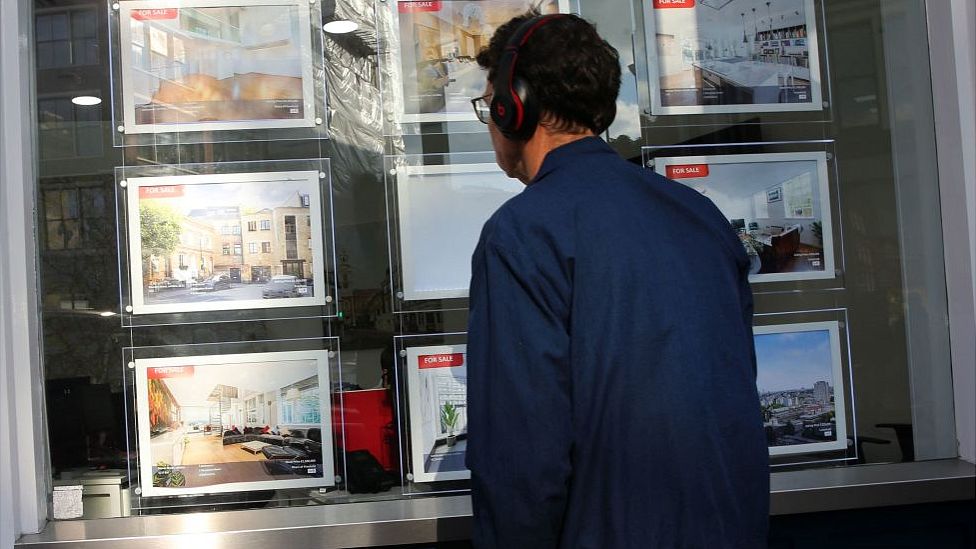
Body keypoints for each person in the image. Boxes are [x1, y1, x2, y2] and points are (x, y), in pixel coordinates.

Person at [465, 11, 770, 548]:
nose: (488, 121)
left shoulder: (523, 232)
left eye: (487, 104)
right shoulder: (700, 216)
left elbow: (522, 459)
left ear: (513, 106)